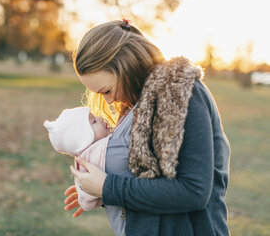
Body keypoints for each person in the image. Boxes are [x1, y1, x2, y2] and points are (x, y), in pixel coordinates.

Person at [64, 19, 231, 236]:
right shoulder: (139, 104)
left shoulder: (182, 93)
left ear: (125, 66)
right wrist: (100, 192)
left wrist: (108, 187)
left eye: (106, 91)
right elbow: (148, 181)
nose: (109, 102)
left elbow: (194, 192)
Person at [44, 107, 111, 211]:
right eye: (94, 121)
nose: (100, 118)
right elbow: (87, 200)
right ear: (85, 141)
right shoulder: (96, 153)